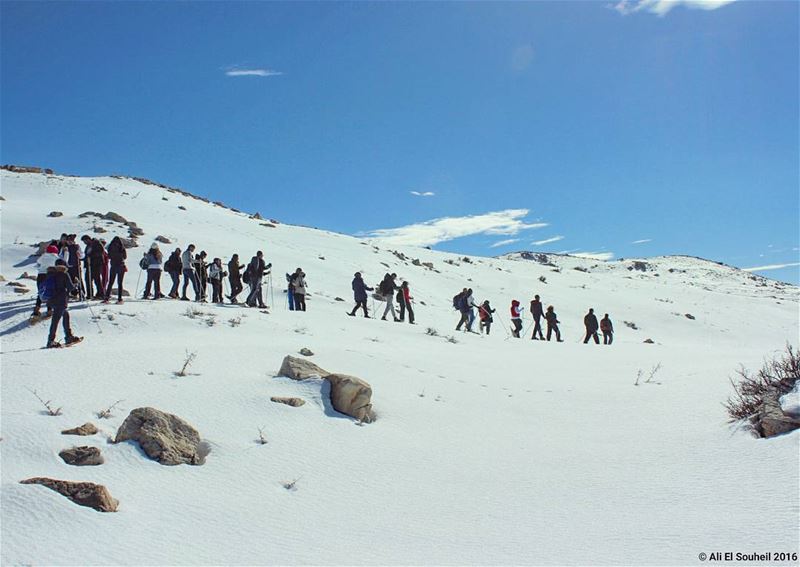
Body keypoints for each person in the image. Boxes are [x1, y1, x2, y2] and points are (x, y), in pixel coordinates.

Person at [44, 259, 82, 348]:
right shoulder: (64, 274)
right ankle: (51, 340)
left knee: (65, 315)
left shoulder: (50, 273)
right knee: (55, 320)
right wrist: (76, 283)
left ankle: (68, 336)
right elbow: (70, 288)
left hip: (51, 300)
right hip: (60, 300)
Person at [31, 242, 59, 320]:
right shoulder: (56, 257)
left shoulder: (43, 256)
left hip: (41, 275)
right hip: (50, 275)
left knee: (41, 292)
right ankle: (49, 310)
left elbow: (38, 263)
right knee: (50, 292)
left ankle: (36, 309)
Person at [104, 236, 127, 304]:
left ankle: (106, 298)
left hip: (113, 266)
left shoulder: (110, 247)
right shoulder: (122, 247)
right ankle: (119, 299)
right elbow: (125, 257)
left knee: (111, 282)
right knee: (120, 283)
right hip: (121, 266)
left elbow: (109, 256)